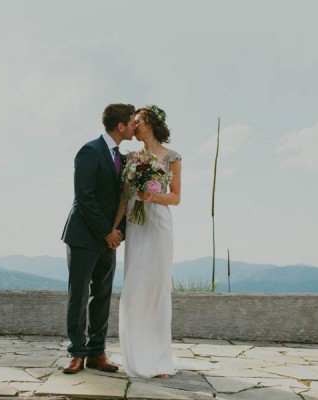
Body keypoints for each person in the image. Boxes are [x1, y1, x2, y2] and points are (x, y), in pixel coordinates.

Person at [61, 103, 136, 374]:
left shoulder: (125, 159)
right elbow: (84, 197)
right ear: (121, 126)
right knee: (79, 296)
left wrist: (117, 234)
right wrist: (106, 231)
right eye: (132, 122)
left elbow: (122, 198)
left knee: (102, 296)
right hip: (84, 236)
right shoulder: (89, 151)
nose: (134, 126)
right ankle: (76, 353)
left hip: (110, 239)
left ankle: (96, 353)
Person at [113, 104, 182, 378]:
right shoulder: (131, 158)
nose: (134, 125)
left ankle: (158, 358)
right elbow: (123, 198)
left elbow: (176, 197)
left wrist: (151, 196)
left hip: (159, 227)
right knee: (135, 288)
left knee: (156, 289)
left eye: (138, 120)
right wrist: (113, 228)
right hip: (137, 228)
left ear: (150, 123)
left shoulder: (172, 157)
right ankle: (136, 355)